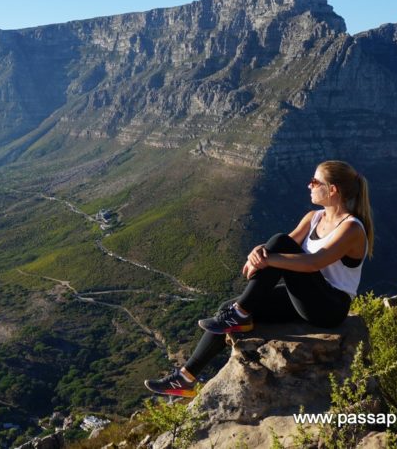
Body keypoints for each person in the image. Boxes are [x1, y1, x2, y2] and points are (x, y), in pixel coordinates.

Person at [144, 160, 374, 398]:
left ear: (333, 189)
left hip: (329, 307)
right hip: (305, 297)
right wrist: (259, 251)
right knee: (226, 311)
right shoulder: (314, 218)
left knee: (278, 244)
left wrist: (269, 258)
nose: (309, 185)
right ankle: (185, 378)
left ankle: (241, 312)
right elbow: (281, 248)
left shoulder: (351, 228)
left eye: (315, 182)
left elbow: (312, 262)